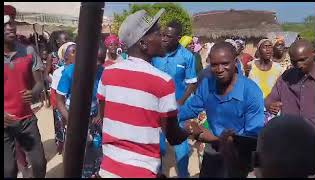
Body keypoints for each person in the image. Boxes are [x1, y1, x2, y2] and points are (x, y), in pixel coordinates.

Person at [96, 9, 201, 178]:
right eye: (159, 35)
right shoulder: (163, 81)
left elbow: (104, 117)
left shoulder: (108, 73)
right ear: (143, 43)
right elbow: (173, 137)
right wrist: (190, 130)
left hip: (108, 169)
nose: (163, 39)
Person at [178, 41, 264, 178]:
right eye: (214, 65)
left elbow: (253, 135)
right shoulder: (207, 84)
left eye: (225, 63)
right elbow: (189, 109)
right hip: (213, 149)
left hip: (240, 154)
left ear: (235, 62)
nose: (219, 70)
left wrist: (225, 140)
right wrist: (184, 124)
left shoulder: (251, 92)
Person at [4, 5, 47, 178]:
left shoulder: (29, 51)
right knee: (8, 170)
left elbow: (40, 83)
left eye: (12, 21)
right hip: (5, 124)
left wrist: (34, 92)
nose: (10, 26)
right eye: (5, 23)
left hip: (27, 120)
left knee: (39, 163)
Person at [152, 20, 198, 178]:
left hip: (176, 110)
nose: (163, 38)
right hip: (155, 108)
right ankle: (157, 174)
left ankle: (183, 175)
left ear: (178, 38)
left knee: (181, 148)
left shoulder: (187, 57)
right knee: (157, 147)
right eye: (163, 35)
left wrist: (181, 102)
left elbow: (192, 83)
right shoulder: (155, 53)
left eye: (168, 36)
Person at [55, 42, 104, 178]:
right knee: (78, 155)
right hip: (74, 120)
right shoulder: (70, 72)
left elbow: (103, 98)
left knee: (95, 153)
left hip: (94, 119)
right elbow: (59, 101)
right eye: (95, 62)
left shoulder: (102, 71)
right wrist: (74, 122)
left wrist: (99, 114)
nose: (97, 66)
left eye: (101, 62)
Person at [265, 39, 315, 127]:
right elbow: (269, 99)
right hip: (289, 134)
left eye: (303, 60)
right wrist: (270, 105)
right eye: (294, 61)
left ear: (314, 53)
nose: (299, 65)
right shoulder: (286, 77)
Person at [50, 42, 76, 154]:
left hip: (75, 109)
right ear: (65, 56)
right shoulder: (59, 72)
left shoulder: (81, 70)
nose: (77, 54)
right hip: (65, 110)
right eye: (73, 52)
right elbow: (57, 96)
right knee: (67, 137)